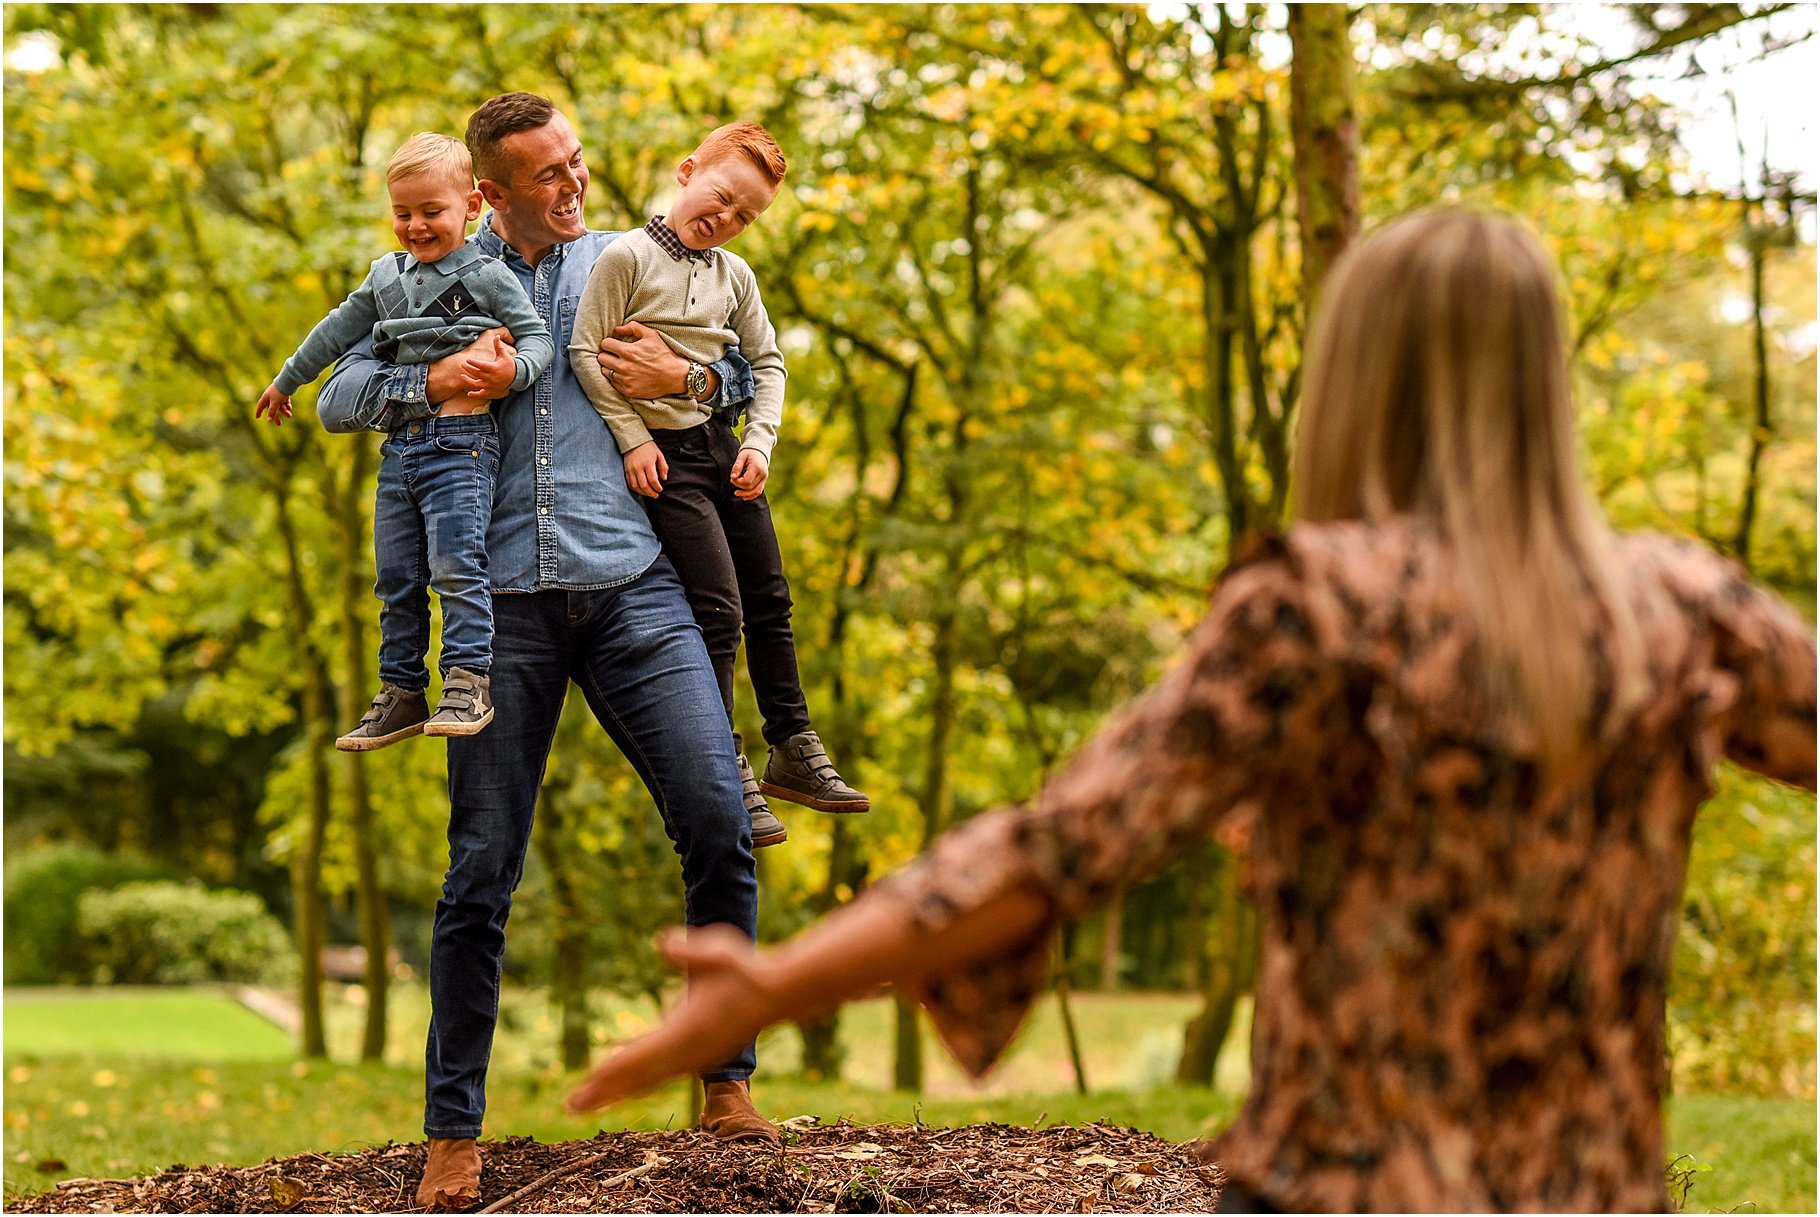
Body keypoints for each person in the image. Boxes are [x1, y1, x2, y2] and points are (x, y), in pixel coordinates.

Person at [561, 210, 1817, 1212]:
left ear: (1356, 374)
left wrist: (777, 982)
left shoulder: (1320, 608)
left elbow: (1057, 849)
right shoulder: (1682, 607)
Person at [315, 93, 782, 1213]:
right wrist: (427, 383)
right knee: (478, 873)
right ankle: (451, 1133)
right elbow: (332, 391)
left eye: (577, 163)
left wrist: (690, 384)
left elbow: (740, 373)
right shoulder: (425, 275)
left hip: (633, 592)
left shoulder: (631, 260)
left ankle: (726, 1084)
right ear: (488, 195)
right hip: (499, 617)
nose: (573, 185)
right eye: (548, 176)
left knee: (720, 818)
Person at [570, 121, 869, 850]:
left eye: (745, 216)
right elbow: (583, 349)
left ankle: (793, 744)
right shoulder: (627, 257)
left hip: (724, 448)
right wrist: (633, 437)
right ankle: (723, 756)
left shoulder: (735, 275)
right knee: (719, 607)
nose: (727, 219)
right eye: (722, 197)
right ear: (686, 170)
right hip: (666, 461)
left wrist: (760, 442)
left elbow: (768, 364)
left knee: (772, 599)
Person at [257, 132, 556, 746]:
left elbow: (538, 342)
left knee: (456, 567)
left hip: (462, 442)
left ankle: (467, 682)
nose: (415, 227)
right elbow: (336, 330)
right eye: (402, 213)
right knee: (395, 578)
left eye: (431, 212)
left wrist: (511, 373)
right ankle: (400, 689)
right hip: (401, 449)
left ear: (471, 207)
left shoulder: (490, 276)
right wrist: (287, 380)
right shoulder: (386, 277)